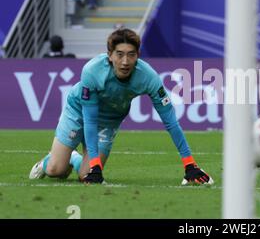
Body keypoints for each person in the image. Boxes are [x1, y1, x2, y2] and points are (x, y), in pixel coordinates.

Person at [30, 28, 213, 185]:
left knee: (85, 176)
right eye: (119, 54)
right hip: (79, 110)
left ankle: (75, 159)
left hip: (110, 119)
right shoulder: (92, 71)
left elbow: (171, 122)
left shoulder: (149, 77)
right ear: (109, 55)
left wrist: (189, 163)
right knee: (56, 170)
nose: (125, 61)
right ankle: (50, 161)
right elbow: (90, 120)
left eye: (131, 55)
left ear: (138, 56)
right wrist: (96, 167)